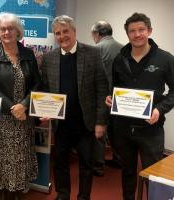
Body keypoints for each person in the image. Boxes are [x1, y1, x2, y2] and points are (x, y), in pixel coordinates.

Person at [105, 13, 174, 200]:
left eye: (141, 29)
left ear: (149, 30)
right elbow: (115, 88)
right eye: (132, 31)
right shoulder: (119, 58)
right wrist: (111, 98)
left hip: (151, 129)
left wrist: (160, 109)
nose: (137, 34)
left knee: (153, 176)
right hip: (123, 129)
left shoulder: (165, 59)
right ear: (127, 34)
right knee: (127, 173)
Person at [41, 15, 108, 200]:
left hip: (85, 123)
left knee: (86, 164)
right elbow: (46, 89)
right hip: (61, 124)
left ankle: (83, 197)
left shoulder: (92, 54)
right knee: (60, 162)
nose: (62, 36)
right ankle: (63, 194)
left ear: (74, 31)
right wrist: (45, 110)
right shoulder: (49, 58)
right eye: (58, 33)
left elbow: (102, 88)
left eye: (65, 31)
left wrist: (101, 122)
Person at [0, 12, 41, 200]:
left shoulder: (28, 54)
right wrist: (13, 108)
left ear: (18, 31)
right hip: (3, 117)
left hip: (24, 115)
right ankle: (3, 189)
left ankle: (16, 190)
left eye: (10, 28)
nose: (6, 32)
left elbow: (37, 84)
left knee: (20, 155)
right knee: (2, 155)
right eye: (3, 29)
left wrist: (23, 105)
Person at [91, 21, 123, 176]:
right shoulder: (124, 48)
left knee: (100, 131)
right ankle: (119, 159)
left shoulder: (95, 49)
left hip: (102, 96)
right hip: (120, 97)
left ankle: (97, 166)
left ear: (97, 34)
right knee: (116, 130)